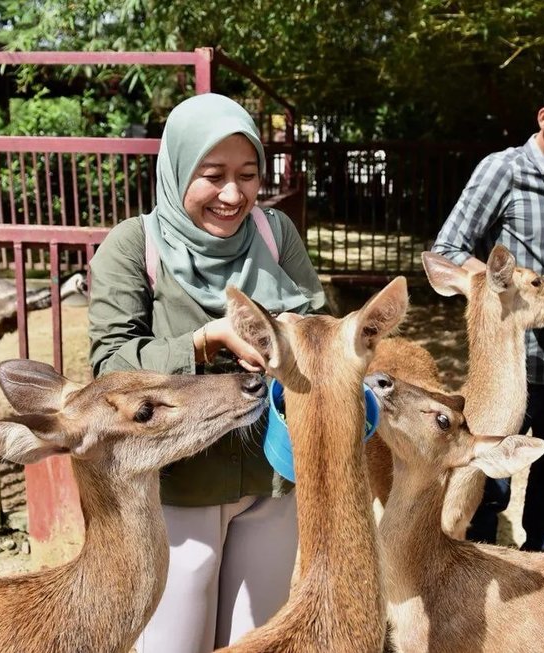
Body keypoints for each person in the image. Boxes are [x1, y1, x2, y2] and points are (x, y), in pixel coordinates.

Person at [88, 93, 326, 652]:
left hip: (274, 476)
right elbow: (108, 364)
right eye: (212, 174)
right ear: (175, 171)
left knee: (255, 639)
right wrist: (203, 342)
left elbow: (317, 320)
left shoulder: (274, 234)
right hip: (179, 485)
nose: (233, 194)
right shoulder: (133, 245)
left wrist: (291, 335)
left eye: (248, 175)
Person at [431, 66, 544, 552]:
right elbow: (449, 247)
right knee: (489, 487)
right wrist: (513, 290)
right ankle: (476, 572)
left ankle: (542, 574)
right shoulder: (503, 169)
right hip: (511, 369)